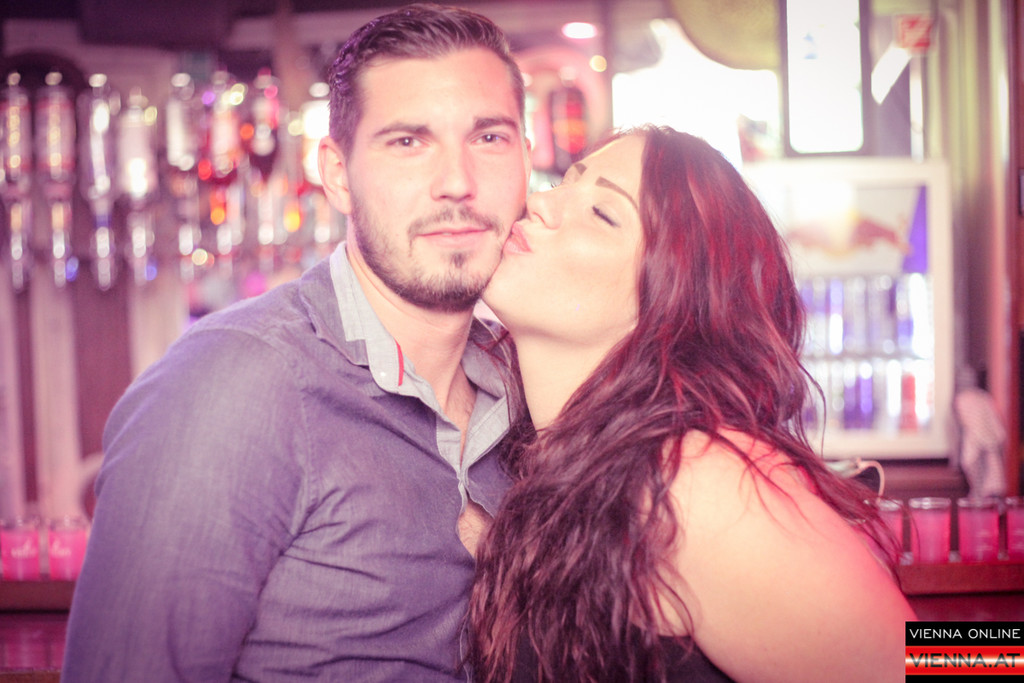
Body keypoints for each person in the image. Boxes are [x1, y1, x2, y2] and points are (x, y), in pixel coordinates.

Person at [62, 4, 532, 681]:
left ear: (526, 156)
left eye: (489, 137)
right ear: (338, 175)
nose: (457, 182)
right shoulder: (236, 384)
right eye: (408, 141)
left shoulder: (527, 385)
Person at [466, 126, 915, 683]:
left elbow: (957, 661)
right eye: (564, 182)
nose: (540, 203)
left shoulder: (691, 480)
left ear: (673, 298)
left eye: (603, 213)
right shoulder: (555, 466)